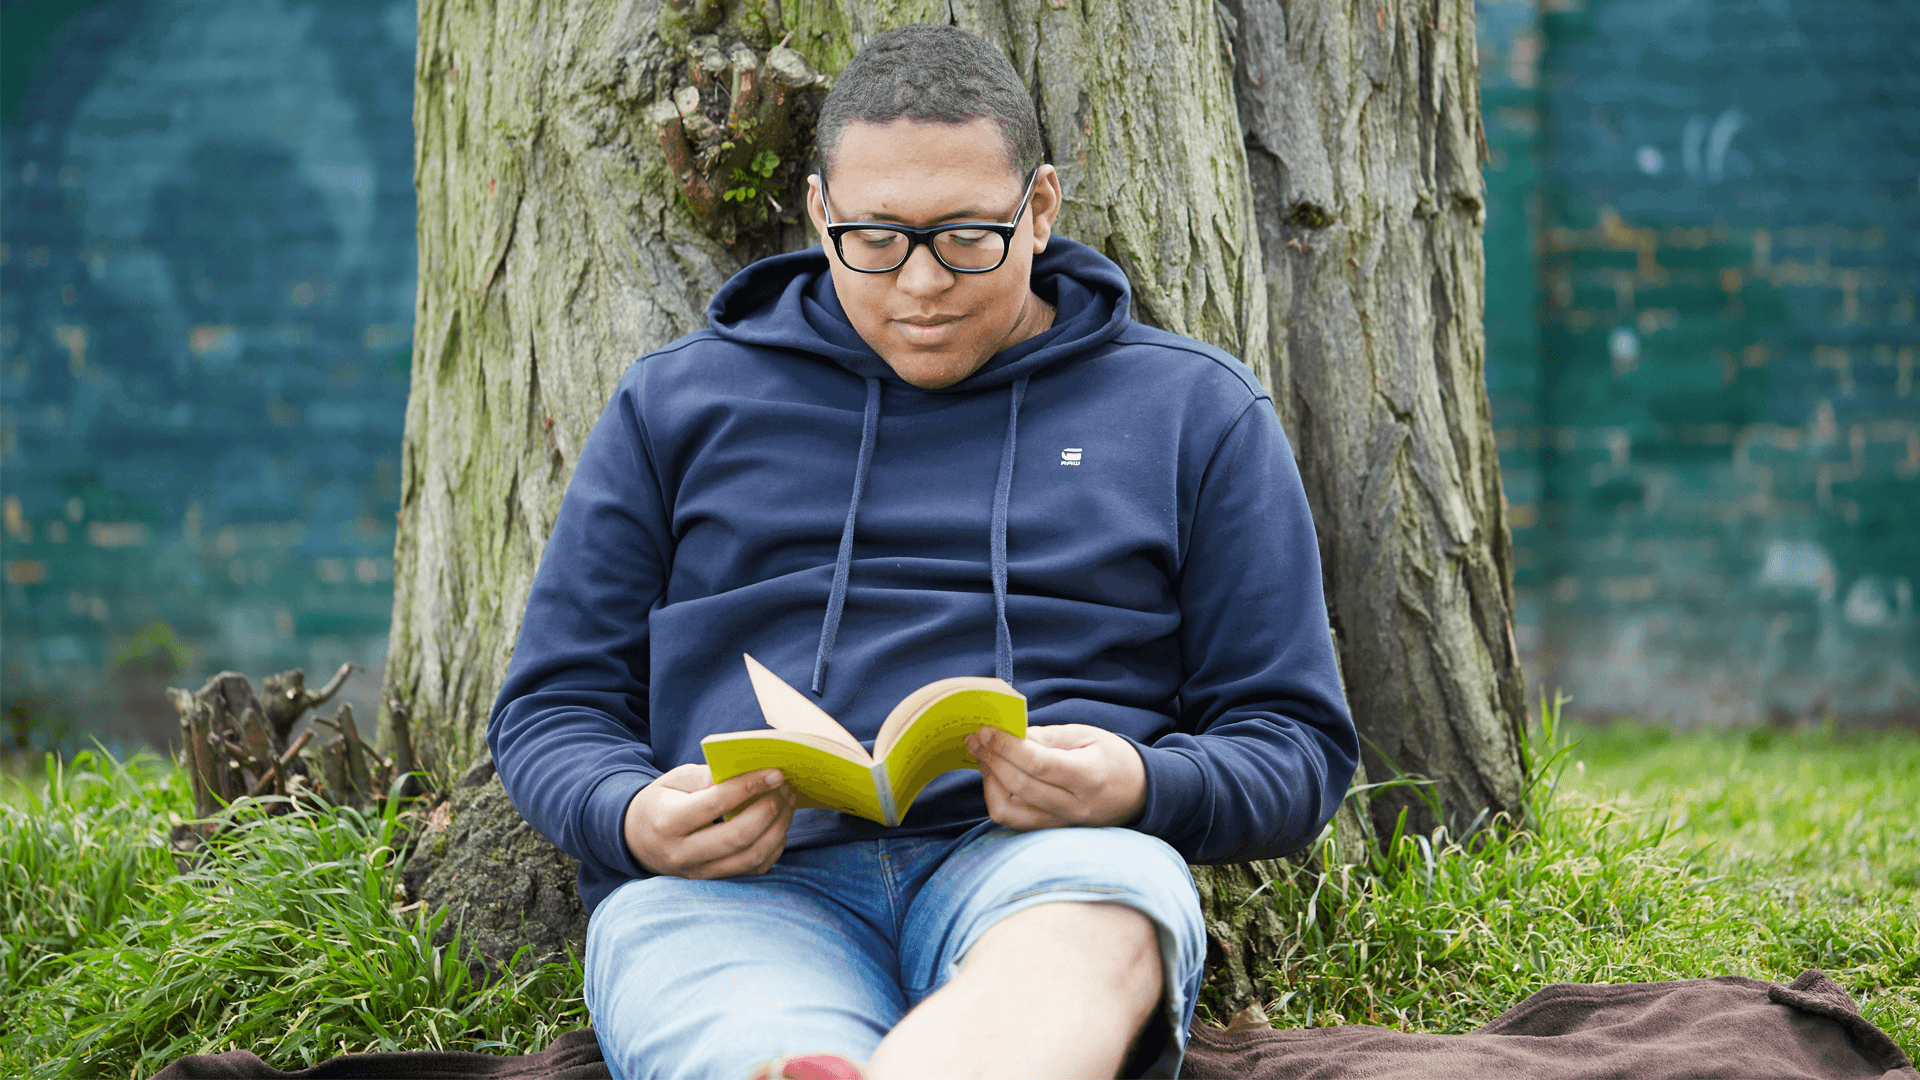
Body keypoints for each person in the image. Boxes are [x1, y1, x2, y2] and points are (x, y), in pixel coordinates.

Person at [488, 23, 1357, 1080]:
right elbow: (552, 707)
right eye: (876, 239)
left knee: (1095, 931)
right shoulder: (681, 401)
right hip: (738, 889)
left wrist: (1137, 784)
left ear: (1039, 208)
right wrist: (629, 816)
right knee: (740, 1029)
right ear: (819, 214)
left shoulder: (1192, 411)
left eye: (964, 237)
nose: (921, 284)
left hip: (1051, 866)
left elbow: (1296, 742)